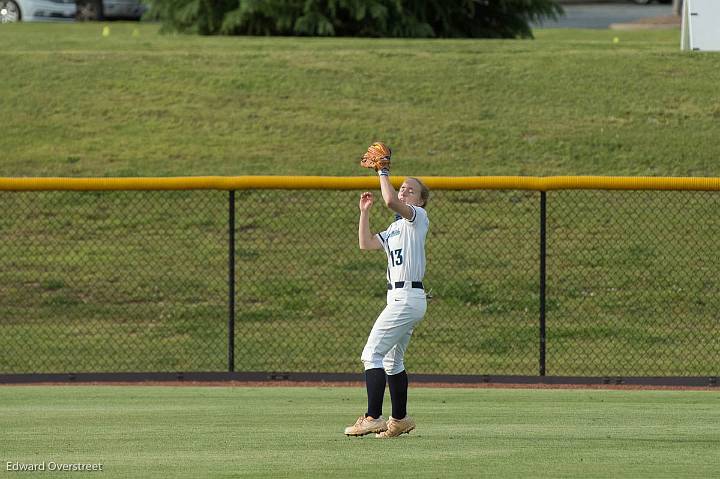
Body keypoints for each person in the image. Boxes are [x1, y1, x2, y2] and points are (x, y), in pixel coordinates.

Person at [344, 165, 430, 438]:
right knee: (393, 361)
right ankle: (400, 419)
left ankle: (372, 416)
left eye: (410, 189)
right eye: (402, 186)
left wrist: (383, 172)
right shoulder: (395, 228)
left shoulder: (417, 218)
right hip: (401, 297)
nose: (404, 191)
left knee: (372, 354)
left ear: (421, 200)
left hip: (407, 297)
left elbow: (390, 200)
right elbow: (366, 243)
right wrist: (364, 213)